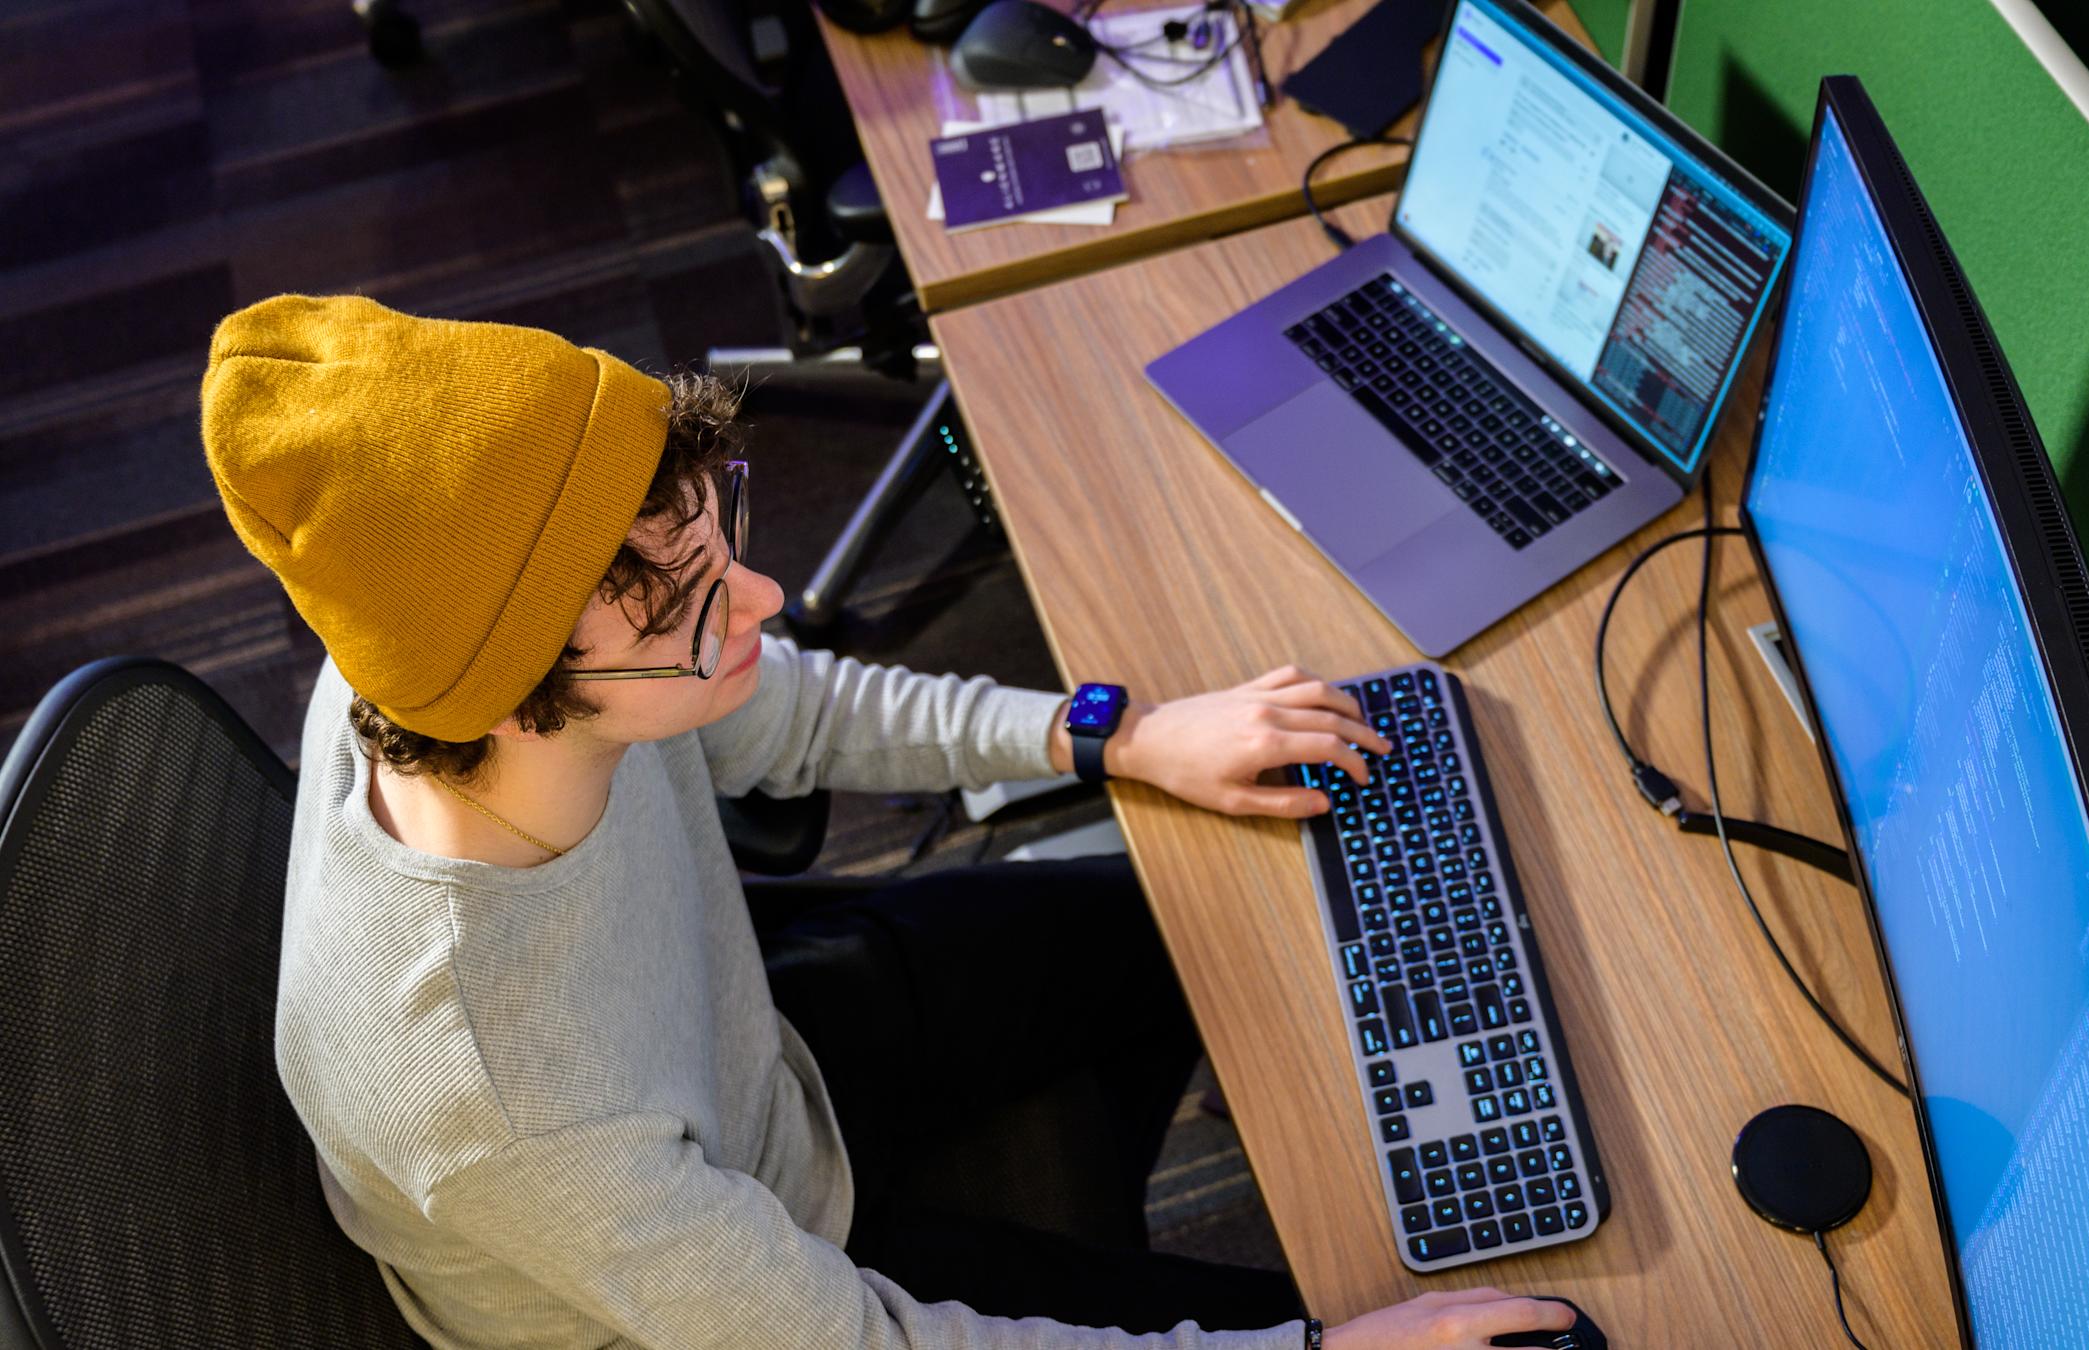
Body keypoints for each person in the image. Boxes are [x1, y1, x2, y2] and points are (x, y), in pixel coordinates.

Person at [201, 295, 1582, 1349]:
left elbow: (776, 705)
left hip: (752, 1053)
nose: (759, 595)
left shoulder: (428, 631)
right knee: (1335, 1311)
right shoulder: (503, 1105)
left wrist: (1118, 735)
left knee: (1205, 909)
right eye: (683, 595)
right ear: (512, 698)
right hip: (734, 1282)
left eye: (711, 535)